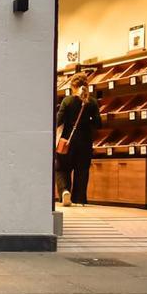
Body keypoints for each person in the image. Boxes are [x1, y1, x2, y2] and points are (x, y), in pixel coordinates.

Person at [55, 72, 102, 206]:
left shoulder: (67, 101)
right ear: (86, 85)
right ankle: (80, 199)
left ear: (73, 86)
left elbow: (58, 121)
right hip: (85, 143)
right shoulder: (92, 102)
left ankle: (64, 191)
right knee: (82, 171)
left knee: (62, 169)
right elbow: (98, 124)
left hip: (66, 143)